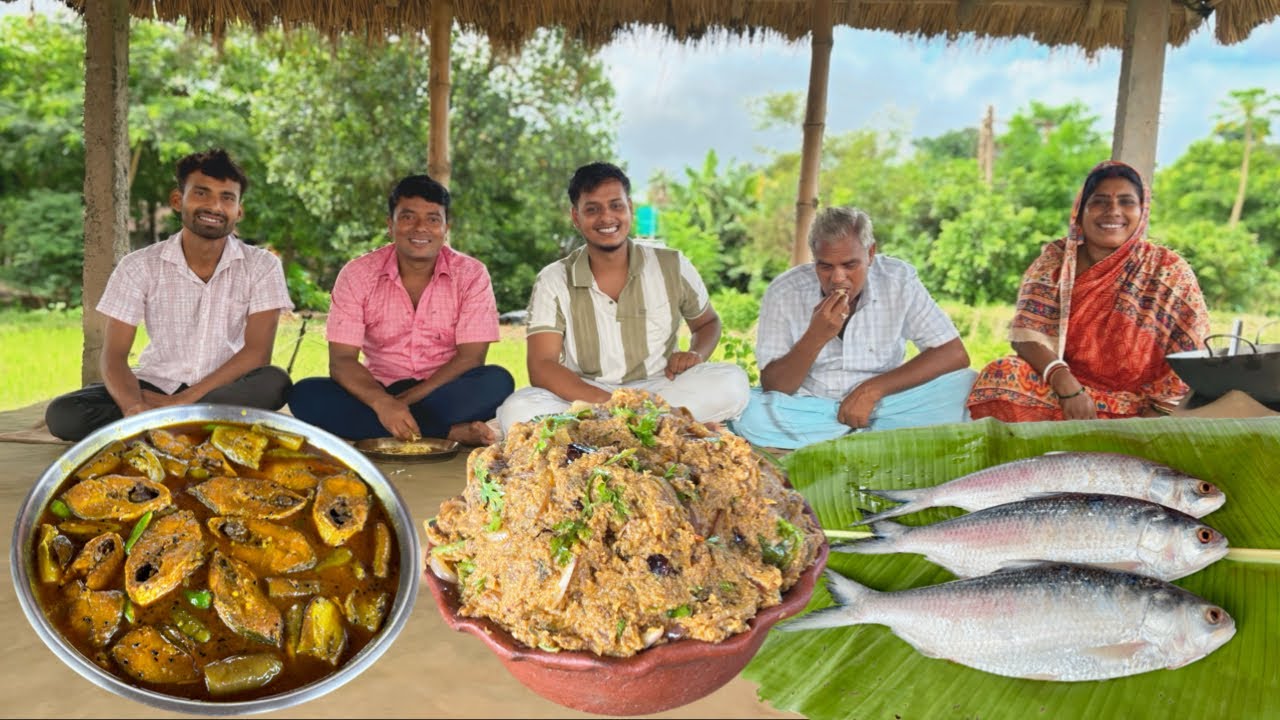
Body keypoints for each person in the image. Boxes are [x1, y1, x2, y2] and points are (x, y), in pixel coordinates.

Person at [45, 148, 294, 441]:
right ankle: (193, 425)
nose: (214, 206)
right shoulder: (138, 266)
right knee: (64, 414)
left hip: (226, 386)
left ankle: (164, 425)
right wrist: (133, 406)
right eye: (201, 193)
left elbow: (257, 353)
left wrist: (181, 402)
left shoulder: (262, 265)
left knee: (275, 383)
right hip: (155, 385)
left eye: (227, 197)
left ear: (238, 210)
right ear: (178, 200)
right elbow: (114, 356)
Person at [495, 162, 749, 432]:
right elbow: (542, 366)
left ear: (630, 208)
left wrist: (696, 353)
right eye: (592, 209)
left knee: (732, 382)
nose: (607, 217)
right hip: (587, 395)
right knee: (518, 410)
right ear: (575, 217)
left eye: (616, 205)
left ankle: (611, 435)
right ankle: (665, 428)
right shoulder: (553, 279)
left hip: (661, 387)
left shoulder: (671, 264)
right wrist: (621, 406)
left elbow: (707, 323)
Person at [967, 160, 1210, 422]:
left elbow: (1192, 355)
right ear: (1080, 211)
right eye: (1100, 201)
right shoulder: (1057, 261)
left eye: (1126, 201)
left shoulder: (1167, 269)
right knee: (1001, 375)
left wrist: (1151, 420)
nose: (1113, 211)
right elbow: (1026, 336)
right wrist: (1066, 386)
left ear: (1143, 211)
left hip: (1140, 410)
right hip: (1066, 395)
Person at [288, 174, 513, 444]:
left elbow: (471, 358)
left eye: (433, 219)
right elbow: (342, 361)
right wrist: (381, 401)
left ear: (446, 227)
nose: (421, 228)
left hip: (443, 391)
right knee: (304, 395)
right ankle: (448, 432)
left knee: (497, 382)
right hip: (378, 386)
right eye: (408, 217)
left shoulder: (471, 274)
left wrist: (397, 404)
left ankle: (388, 424)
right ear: (390, 225)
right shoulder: (357, 274)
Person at [730, 206, 975, 449]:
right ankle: (871, 439)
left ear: (870, 253)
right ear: (814, 258)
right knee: (750, 412)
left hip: (886, 405)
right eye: (825, 266)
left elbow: (953, 354)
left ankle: (838, 439)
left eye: (849, 265)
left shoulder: (898, 280)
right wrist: (815, 337)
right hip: (810, 410)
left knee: (966, 387)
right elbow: (776, 386)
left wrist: (872, 390)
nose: (837, 278)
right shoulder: (784, 291)